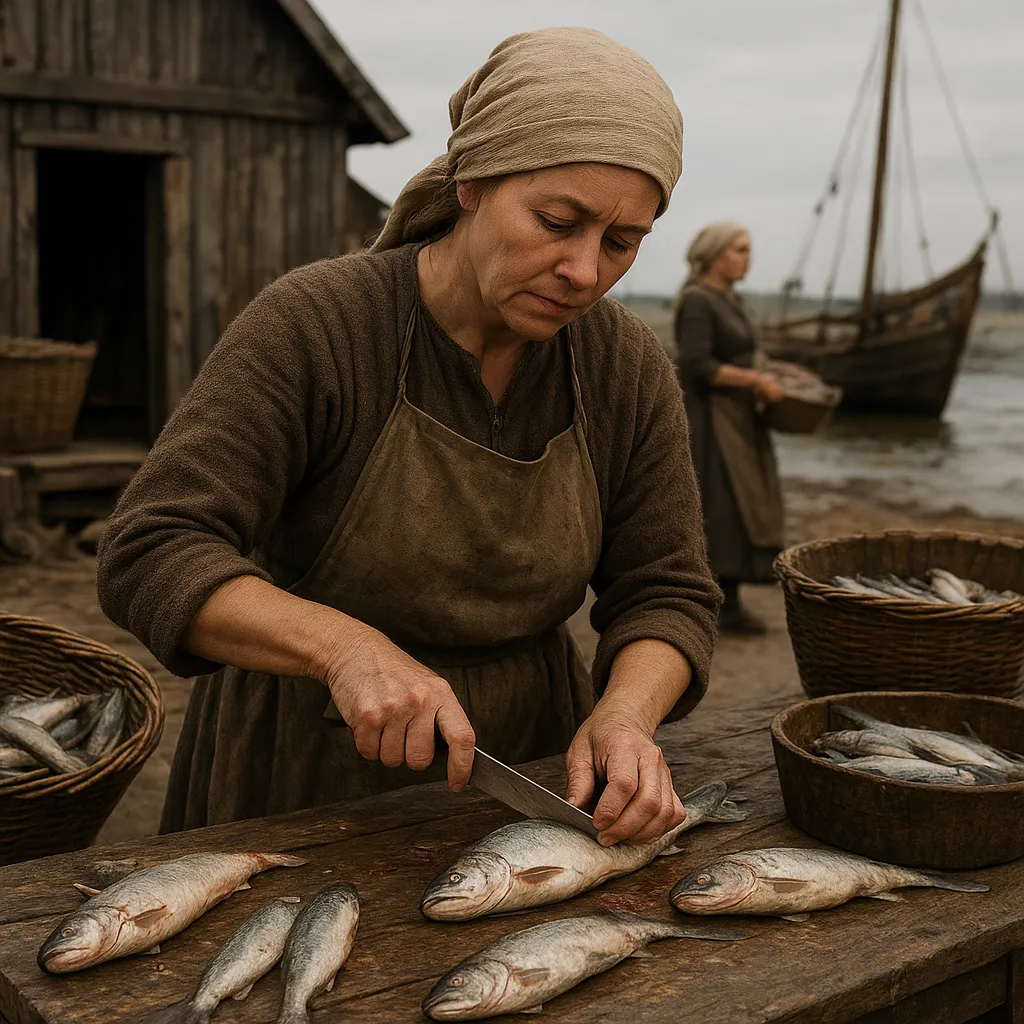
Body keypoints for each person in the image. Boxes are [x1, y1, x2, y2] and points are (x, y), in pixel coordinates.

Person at [97, 27, 721, 848]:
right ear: (470, 184)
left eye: (620, 242)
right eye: (555, 221)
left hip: (533, 774)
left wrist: (628, 718)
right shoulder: (319, 325)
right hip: (303, 768)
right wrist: (344, 649)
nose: (583, 271)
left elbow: (667, 591)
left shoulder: (623, 364)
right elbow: (154, 549)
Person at [674, 223, 786, 634]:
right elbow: (696, 365)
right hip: (711, 420)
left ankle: (731, 599)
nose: (747, 258)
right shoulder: (699, 301)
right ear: (716, 254)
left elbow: (745, 352)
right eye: (739, 250)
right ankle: (720, 604)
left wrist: (773, 371)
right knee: (722, 505)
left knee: (743, 503)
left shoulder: (730, 300)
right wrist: (755, 382)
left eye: (748, 250)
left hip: (737, 419)